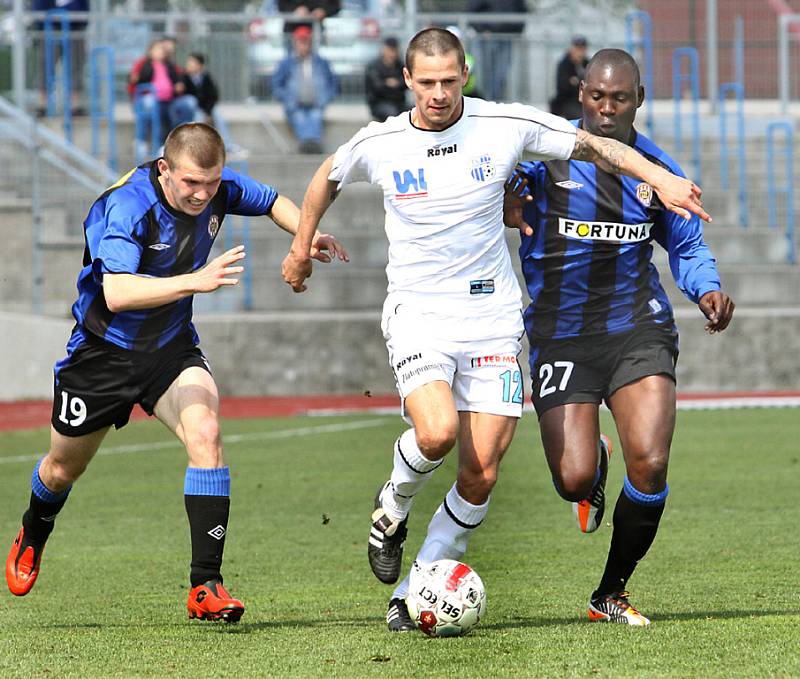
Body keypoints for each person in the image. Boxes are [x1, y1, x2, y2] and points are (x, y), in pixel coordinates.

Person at [280, 28, 710, 632]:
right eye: (426, 83)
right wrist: (300, 248)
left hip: (493, 322)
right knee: (435, 435)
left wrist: (662, 180)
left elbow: (594, 146)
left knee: (481, 472)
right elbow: (326, 175)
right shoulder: (381, 141)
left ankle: (413, 593)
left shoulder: (504, 124)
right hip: (419, 315)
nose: (437, 94)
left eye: (448, 81)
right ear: (407, 81)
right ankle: (392, 507)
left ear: (465, 76)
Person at [5, 123, 347, 622]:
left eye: (211, 183)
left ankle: (205, 586)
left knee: (206, 432)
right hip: (102, 354)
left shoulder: (217, 185)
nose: (202, 194)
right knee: (61, 469)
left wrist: (305, 234)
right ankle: (34, 531)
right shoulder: (127, 206)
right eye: (191, 183)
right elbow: (117, 293)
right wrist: (196, 281)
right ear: (165, 170)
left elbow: (272, 199)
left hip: (170, 350)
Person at [504, 48, 735, 625]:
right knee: (573, 478)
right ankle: (593, 467)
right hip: (560, 334)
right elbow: (483, 192)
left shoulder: (656, 169)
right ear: (581, 96)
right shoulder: (541, 159)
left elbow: (685, 244)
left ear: (639, 101)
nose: (607, 110)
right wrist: (501, 199)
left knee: (652, 462)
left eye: (621, 99)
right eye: (597, 97)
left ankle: (610, 592)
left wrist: (705, 287)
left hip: (637, 325)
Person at [272, 25, 339, 154]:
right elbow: (277, 84)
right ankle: (309, 144)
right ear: (295, 43)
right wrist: (286, 99)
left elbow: (333, 81)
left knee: (315, 117)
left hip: (317, 103)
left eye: (306, 42)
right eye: (300, 42)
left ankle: (310, 143)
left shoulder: (321, 62)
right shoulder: (286, 63)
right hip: (295, 105)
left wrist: (327, 97)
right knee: (300, 118)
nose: (303, 46)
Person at [183, 53, 249, 159]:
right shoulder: (184, 78)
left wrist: (208, 113)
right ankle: (196, 151)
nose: (189, 65)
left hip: (206, 108)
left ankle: (228, 146)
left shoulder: (207, 77)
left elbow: (213, 96)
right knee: (198, 120)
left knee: (219, 118)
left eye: (192, 63)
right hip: (193, 110)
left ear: (200, 65)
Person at [32, 0, 89, 117]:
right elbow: (39, 9)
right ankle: (43, 105)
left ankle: (75, 105)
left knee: (76, 66)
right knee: (45, 66)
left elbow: (83, 11)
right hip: (49, 31)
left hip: (74, 31)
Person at [468, 0, 526, 101]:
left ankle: (493, 103)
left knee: (501, 75)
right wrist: (482, 30)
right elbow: (473, 10)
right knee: (484, 74)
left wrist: (517, 30)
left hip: (508, 36)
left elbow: (521, 9)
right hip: (486, 37)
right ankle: (485, 103)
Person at [365, 37, 406, 122]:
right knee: (393, 114)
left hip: (399, 102)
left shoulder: (400, 65)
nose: (392, 53)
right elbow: (377, 87)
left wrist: (394, 84)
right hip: (379, 103)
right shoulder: (374, 66)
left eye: (394, 50)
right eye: (390, 50)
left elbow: (407, 82)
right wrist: (394, 85)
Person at [549, 35, 589, 120]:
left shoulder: (587, 63)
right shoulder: (564, 64)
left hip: (583, 101)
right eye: (577, 48)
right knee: (581, 116)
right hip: (567, 102)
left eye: (582, 49)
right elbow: (563, 86)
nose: (580, 52)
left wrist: (575, 81)